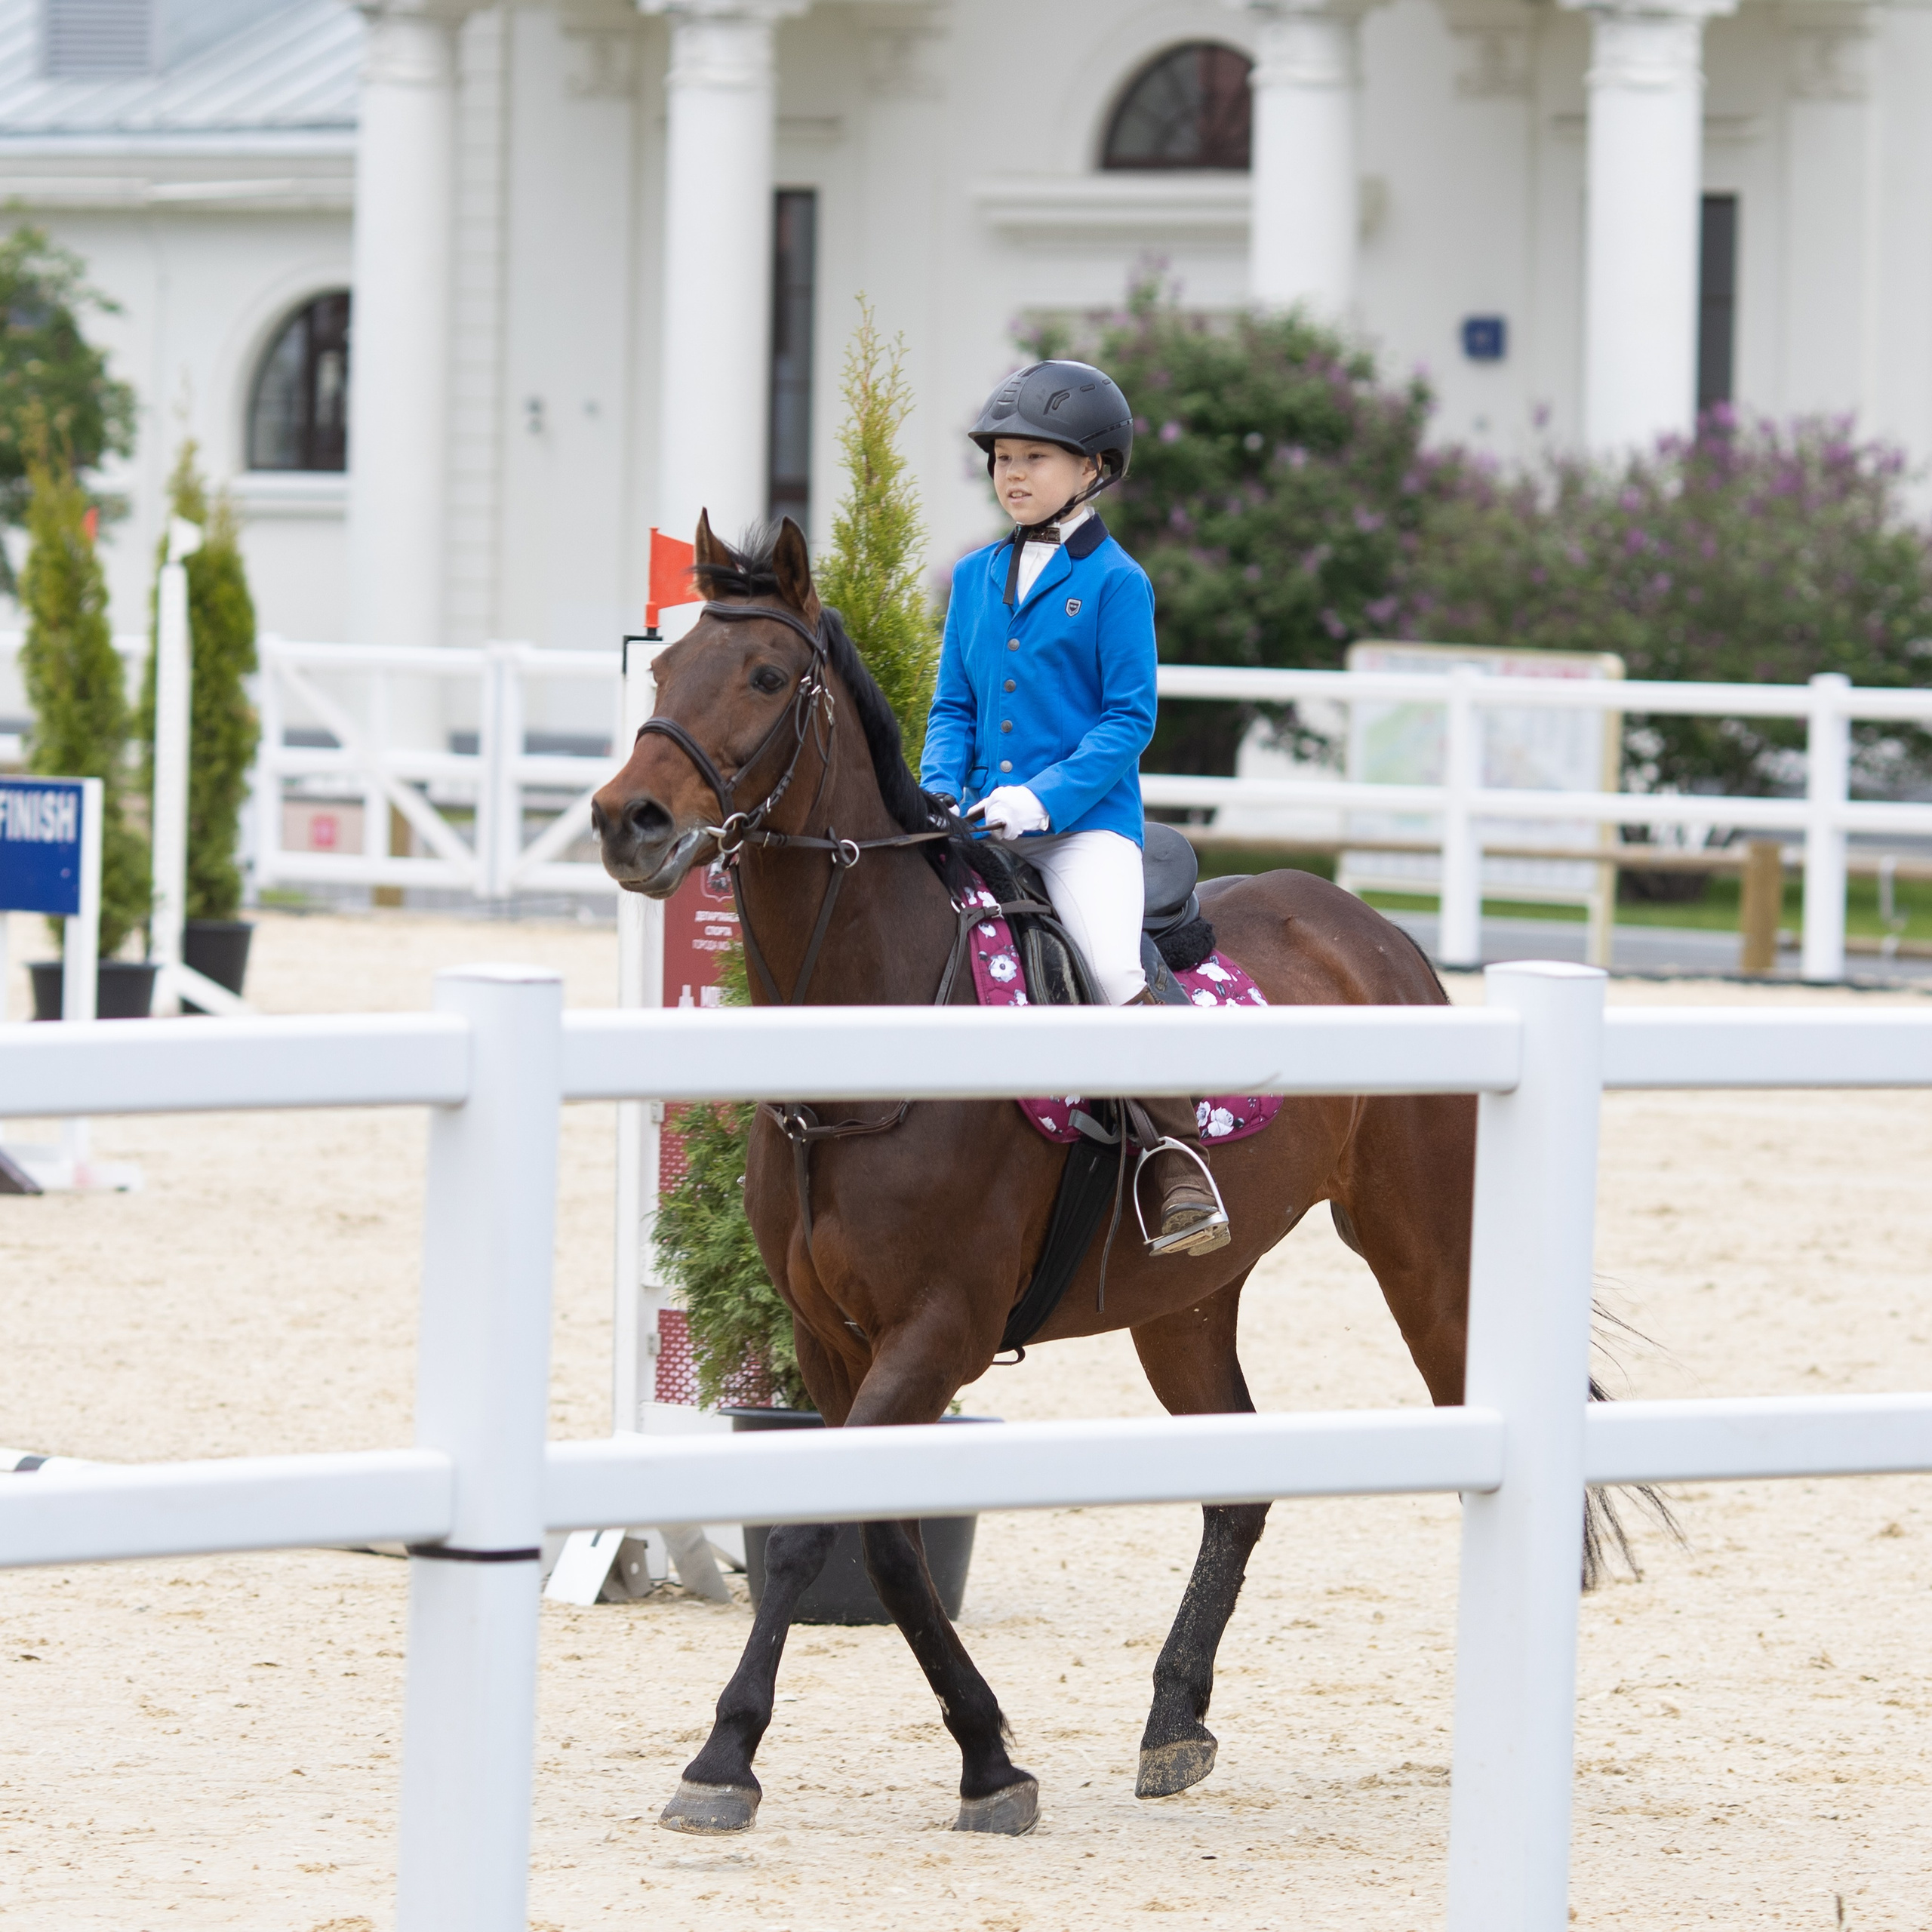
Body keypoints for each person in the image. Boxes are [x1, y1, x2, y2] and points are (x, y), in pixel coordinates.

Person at [921, 358, 1230, 1259]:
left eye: (1035, 460)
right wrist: (943, 785)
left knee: (1105, 964)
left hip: (1083, 829)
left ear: (1094, 470)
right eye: (1002, 458)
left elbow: (1128, 719)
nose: (1012, 475)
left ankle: (1177, 1160)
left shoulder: (1117, 584)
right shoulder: (977, 576)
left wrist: (1041, 797)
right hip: (978, 820)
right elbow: (954, 706)